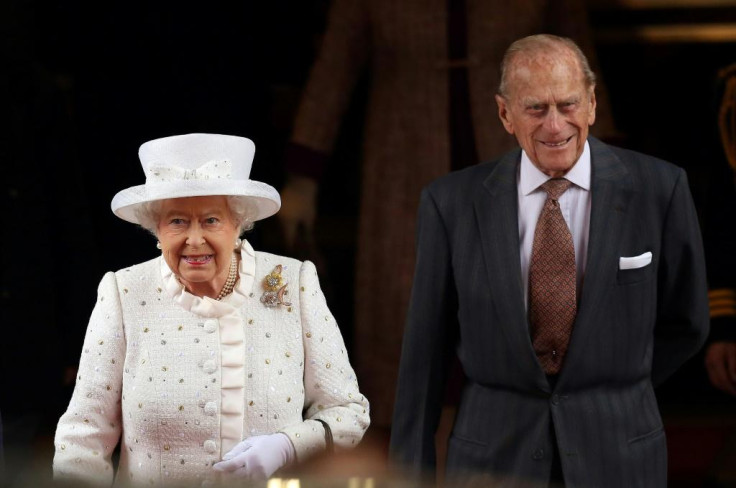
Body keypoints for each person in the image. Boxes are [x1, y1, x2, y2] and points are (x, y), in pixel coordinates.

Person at [279, 0, 619, 428]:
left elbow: (578, 61)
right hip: (404, 160)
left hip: (519, 155)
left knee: (523, 309)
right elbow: (336, 64)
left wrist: (605, 172)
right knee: (409, 311)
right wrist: (304, 176)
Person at [389, 35, 709, 487]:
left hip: (620, 454)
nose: (556, 126)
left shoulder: (661, 189)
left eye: (568, 105)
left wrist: (611, 385)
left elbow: (689, 322)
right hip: (492, 460)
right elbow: (424, 356)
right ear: (505, 113)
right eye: (536, 108)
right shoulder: (450, 203)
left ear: (593, 104)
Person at [53, 133, 370, 486]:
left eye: (211, 220)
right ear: (155, 228)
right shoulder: (124, 292)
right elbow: (84, 434)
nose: (194, 239)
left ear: (239, 223)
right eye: (176, 221)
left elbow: (347, 412)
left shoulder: (291, 282)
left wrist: (287, 446)